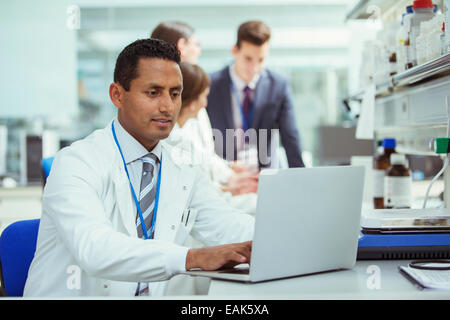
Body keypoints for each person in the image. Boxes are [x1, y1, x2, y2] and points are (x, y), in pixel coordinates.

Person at [23, 38, 254, 297]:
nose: (167, 106)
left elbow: (226, 223)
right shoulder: (76, 162)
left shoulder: (182, 166)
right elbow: (94, 248)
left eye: (175, 93)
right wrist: (191, 258)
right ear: (117, 95)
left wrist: (280, 238)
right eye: (153, 93)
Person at [151, 20, 257, 196]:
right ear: (182, 46)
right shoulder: (172, 106)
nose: (199, 50)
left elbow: (200, 155)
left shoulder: (190, 92)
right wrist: (226, 184)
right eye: (196, 44)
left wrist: (229, 172)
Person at [206, 20, 305, 169]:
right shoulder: (210, 85)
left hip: (264, 175)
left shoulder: (278, 85)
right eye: (248, 59)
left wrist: (301, 179)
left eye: (261, 59)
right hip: (224, 176)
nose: (254, 67)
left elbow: (290, 136)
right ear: (235, 51)